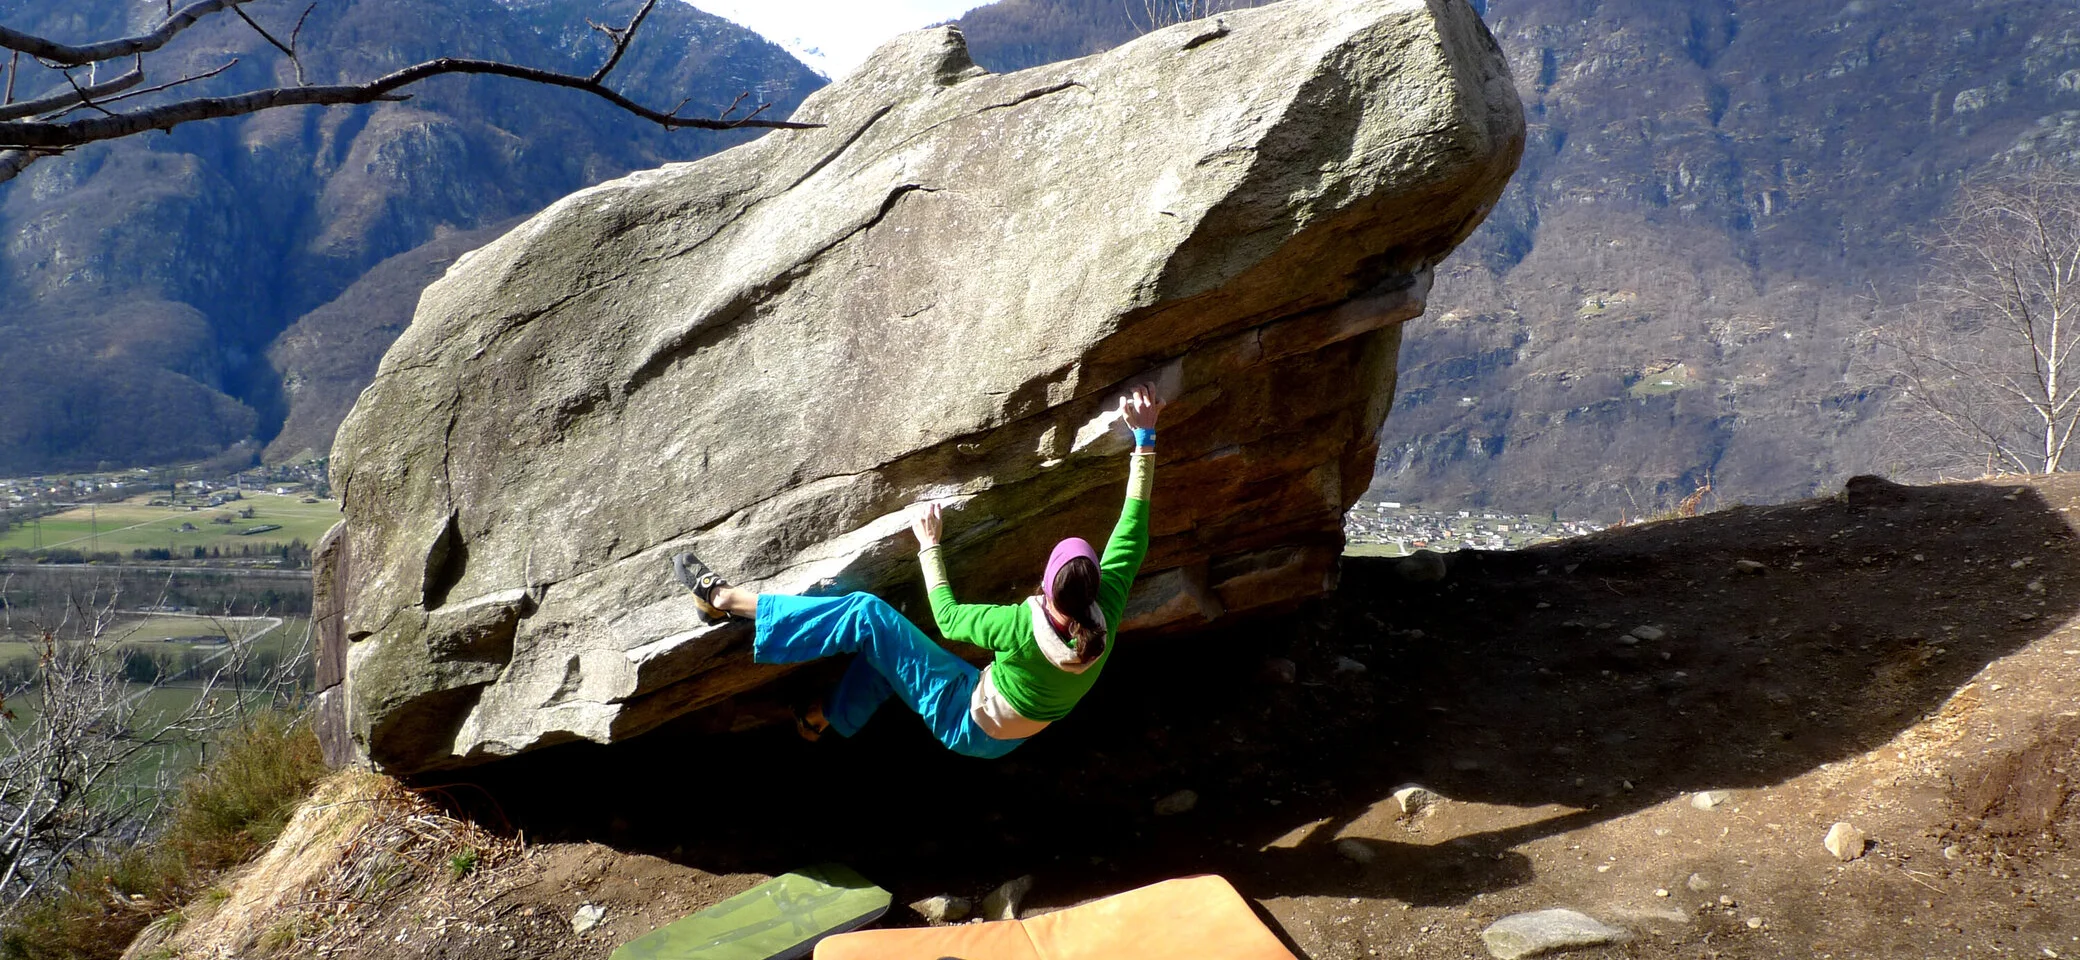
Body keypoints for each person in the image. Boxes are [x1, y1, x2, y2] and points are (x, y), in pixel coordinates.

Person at [671, 384, 1165, 759]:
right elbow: (1134, 527)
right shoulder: (1108, 611)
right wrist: (1144, 438)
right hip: (1009, 737)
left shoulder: (1019, 627)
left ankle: (730, 605)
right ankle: (818, 717)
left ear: (1045, 584)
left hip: (965, 720)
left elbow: (948, 619)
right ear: (1097, 583)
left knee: (867, 615)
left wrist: (930, 546)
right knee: (893, 653)